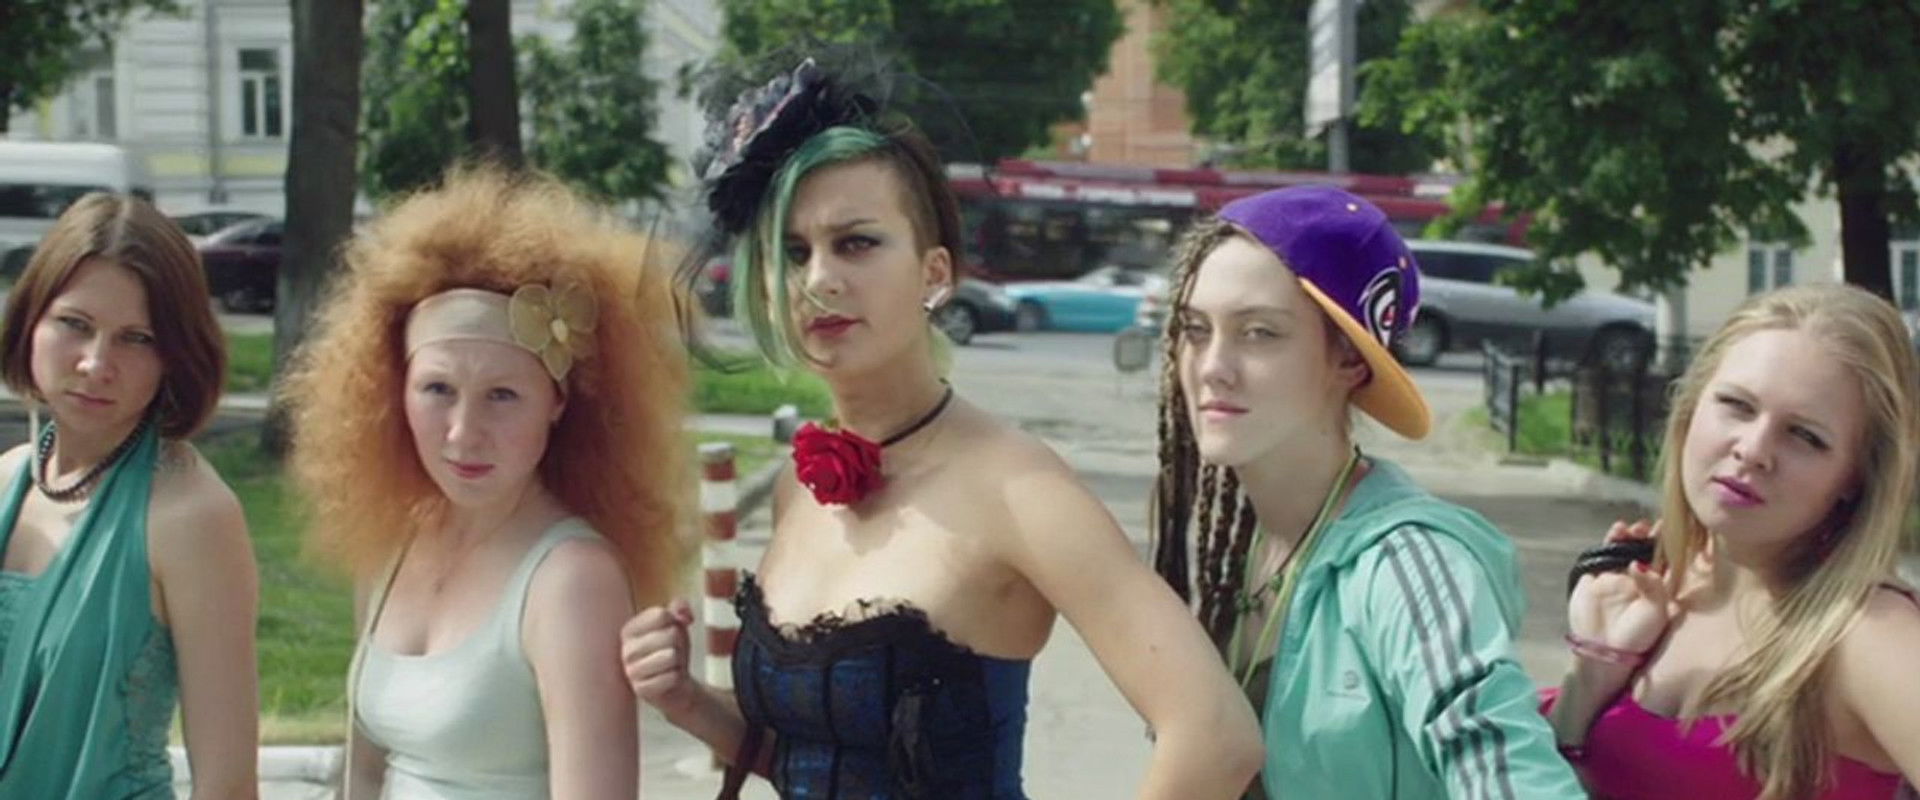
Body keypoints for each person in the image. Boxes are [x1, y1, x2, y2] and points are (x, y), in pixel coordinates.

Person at [621, 58, 1262, 799]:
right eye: (793, 253)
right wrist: (688, 701)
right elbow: (819, 753)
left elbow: (1215, 735)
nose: (820, 279)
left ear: (934, 274)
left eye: (856, 243)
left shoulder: (1017, 487)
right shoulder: (801, 486)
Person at [1150, 185, 1587, 799]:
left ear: (1352, 361)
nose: (1212, 366)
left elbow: (1503, 766)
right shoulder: (1248, 543)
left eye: (1259, 333)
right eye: (1196, 329)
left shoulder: (1408, 564)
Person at [284, 166, 690, 799]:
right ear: (393, 391)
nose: (463, 433)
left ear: (557, 403)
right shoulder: (394, 542)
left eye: (502, 395)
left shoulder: (571, 580)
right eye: (437, 389)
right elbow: (364, 775)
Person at [1548, 284, 1920, 799]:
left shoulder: (1863, 633)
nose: (1753, 449)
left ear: (1855, 477)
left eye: (1806, 436)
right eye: (1737, 405)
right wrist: (1593, 675)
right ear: (1690, 409)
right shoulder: (1657, 587)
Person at [0, 193, 258, 797]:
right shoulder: (7, 478)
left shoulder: (191, 516)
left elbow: (227, 785)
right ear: (31, 320)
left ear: (175, 355)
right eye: (75, 324)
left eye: (136, 338)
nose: (96, 364)